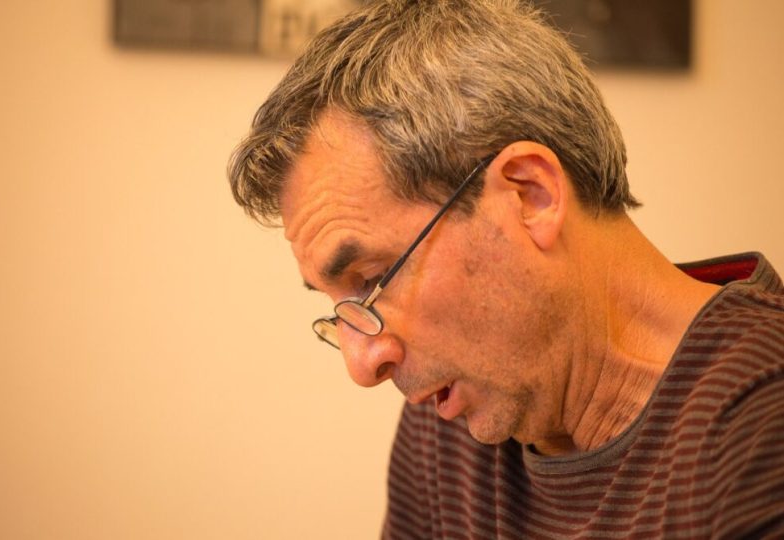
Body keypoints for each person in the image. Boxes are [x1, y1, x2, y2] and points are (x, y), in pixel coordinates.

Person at [227, 0, 784, 537]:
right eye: (342, 310)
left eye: (373, 280)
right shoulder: (450, 423)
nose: (363, 365)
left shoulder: (761, 416)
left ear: (529, 195)